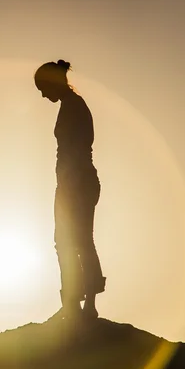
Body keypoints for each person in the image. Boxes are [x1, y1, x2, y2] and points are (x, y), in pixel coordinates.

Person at [34, 59, 106, 320]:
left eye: (42, 88)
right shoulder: (70, 105)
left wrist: (69, 184)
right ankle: (76, 303)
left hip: (77, 182)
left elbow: (77, 149)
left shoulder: (74, 106)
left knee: (77, 241)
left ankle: (83, 305)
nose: (42, 95)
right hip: (71, 182)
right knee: (69, 241)